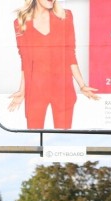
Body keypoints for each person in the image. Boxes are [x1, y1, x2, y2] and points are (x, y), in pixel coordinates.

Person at [8, 0, 99, 130]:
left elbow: (70, 54)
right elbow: (25, 60)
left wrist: (82, 85)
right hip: (35, 90)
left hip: (63, 88)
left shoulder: (65, 16)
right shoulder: (20, 22)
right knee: (34, 137)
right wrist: (22, 90)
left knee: (64, 139)